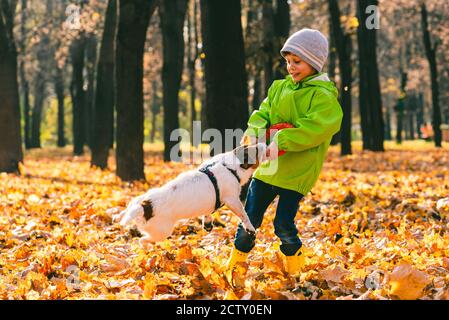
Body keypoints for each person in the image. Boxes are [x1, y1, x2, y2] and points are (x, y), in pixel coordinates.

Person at [227, 28, 343, 280]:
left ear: (313, 61)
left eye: (297, 62)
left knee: (283, 224)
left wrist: (281, 139)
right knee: (249, 217)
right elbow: (261, 114)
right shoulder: (278, 88)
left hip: (297, 172)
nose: (291, 67)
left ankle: (294, 266)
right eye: (288, 61)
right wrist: (256, 135)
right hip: (269, 169)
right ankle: (235, 263)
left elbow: (316, 128)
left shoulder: (323, 96)